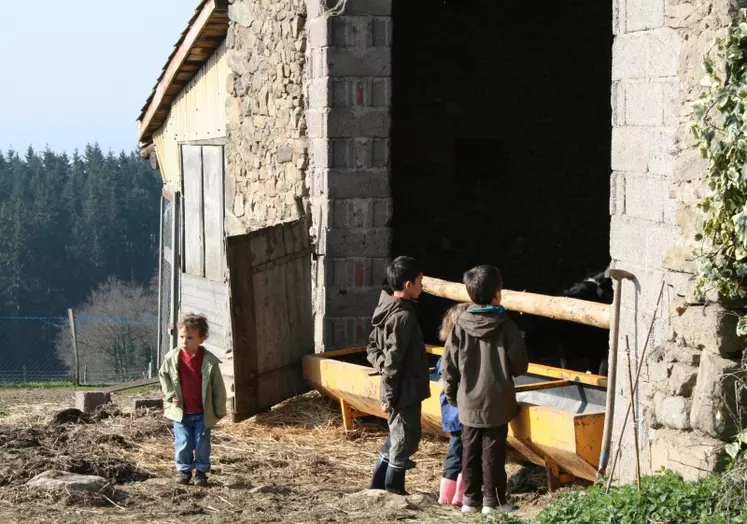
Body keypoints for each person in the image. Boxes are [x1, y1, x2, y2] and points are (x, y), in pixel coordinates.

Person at [442, 265, 528, 514]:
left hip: (468, 400)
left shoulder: (458, 327)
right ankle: (494, 502)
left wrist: (451, 394)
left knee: (469, 451)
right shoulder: (507, 327)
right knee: (493, 452)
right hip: (498, 401)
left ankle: (470, 500)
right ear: (497, 294)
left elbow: (448, 366)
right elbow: (520, 365)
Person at [366, 256, 430, 495]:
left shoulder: (386, 308)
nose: (422, 286)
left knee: (397, 437)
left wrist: (381, 365)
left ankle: (377, 486)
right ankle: (394, 490)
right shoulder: (403, 316)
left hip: (399, 387)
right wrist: (390, 393)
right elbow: (394, 359)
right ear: (408, 285)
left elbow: (372, 347)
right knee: (405, 439)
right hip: (403, 390)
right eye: (420, 281)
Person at [159, 313, 227, 487]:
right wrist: (170, 396)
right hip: (181, 412)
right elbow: (164, 377)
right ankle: (184, 471)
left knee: (202, 444)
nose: (184, 342)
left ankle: (201, 473)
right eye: (181, 337)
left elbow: (218, 387)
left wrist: (219, 410)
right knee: (183, 443)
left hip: (203, 413)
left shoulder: (209, 362)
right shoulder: (172, 359)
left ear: (201, 339)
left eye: (190, 338)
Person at [436, 302, 470, 505]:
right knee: (471, 454)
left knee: (454, 452)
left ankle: (445, 496)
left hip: (451, 411)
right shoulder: (466, 353)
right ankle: (460, 495)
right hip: (464, 412)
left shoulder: (446, 352)